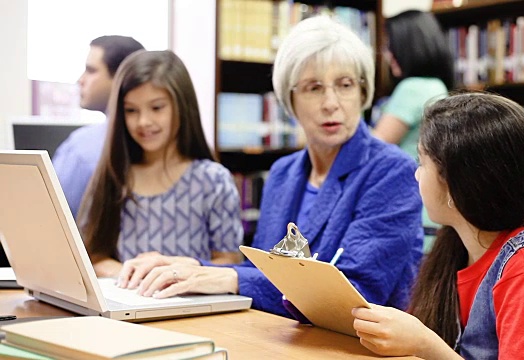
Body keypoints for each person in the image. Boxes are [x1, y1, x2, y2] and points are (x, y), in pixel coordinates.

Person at [115, 16, 424, 319]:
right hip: (287, 338)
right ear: (289, 99)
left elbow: (358, 294)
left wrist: (230, 278)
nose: (331, 102)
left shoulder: (391, 172)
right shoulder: (283, 173)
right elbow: (268, 273)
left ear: (362, 92)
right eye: (314, 88)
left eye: (344, 85)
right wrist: (190, 267)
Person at [352, 93, 524, 359]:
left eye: (422, 163)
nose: (416, 174)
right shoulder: (454, 249)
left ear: (456, 185)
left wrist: (426, 346)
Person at [78, 50, 243, 278]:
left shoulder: (213, 180)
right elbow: (93, 255)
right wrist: (131, 274)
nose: (144, 121)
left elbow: (230, 262)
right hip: (127, 301)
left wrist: (176, 271)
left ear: (182, 106)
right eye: (131, 111)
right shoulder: (115, 173)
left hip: (191, 303)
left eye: (157, 108)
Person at [371, 10, 455, 252]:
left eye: (391, 46)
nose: (387, 54)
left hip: (408, 213)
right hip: (429, 214)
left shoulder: (413, 88)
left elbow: (375, 148)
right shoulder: (437, 87)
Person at [53, 35, 145, 218]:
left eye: (91, 70)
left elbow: (49, 214)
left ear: (121, 77)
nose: (81, 79)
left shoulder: (81, 149)